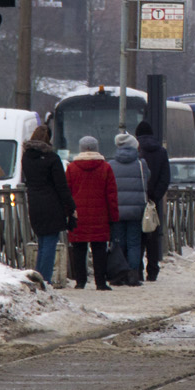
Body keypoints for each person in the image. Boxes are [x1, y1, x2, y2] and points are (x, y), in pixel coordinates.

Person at [21, 124, 75, 287]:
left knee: (42, 242)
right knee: (50, 243)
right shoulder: (52, 158)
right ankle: (44, 280)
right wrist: (71, 206)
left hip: (34, 203)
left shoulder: (26, 158)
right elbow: (61, 186)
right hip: (52, 205)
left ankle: (38, 277)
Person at [66, 135, 118, 290]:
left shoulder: (72, 168)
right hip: (100, 215)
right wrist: (114, 217)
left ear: (81, 149)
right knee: (99, 249)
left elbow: (67, 193)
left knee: (79, 249)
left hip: (78, 215)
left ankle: (80, 281)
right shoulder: (105, 168)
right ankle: (100, 282)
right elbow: (111, 195)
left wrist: (68, 214)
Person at [108, 132, 147, 286]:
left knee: (118, 242)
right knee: (134, 243)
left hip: (117, 209)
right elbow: (147, 180)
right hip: (136, 209)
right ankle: (133, 275)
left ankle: (119, 273)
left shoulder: (111, 164)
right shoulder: (141, 164)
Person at [135, 119, 171, 282]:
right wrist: (155, 196)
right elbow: (165, 177)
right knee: (152, 235)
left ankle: (137, 270)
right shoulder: (161, 152)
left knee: (137, 236)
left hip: (137, 199)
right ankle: (153, 270)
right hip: (153, 201)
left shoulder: (135, 151)